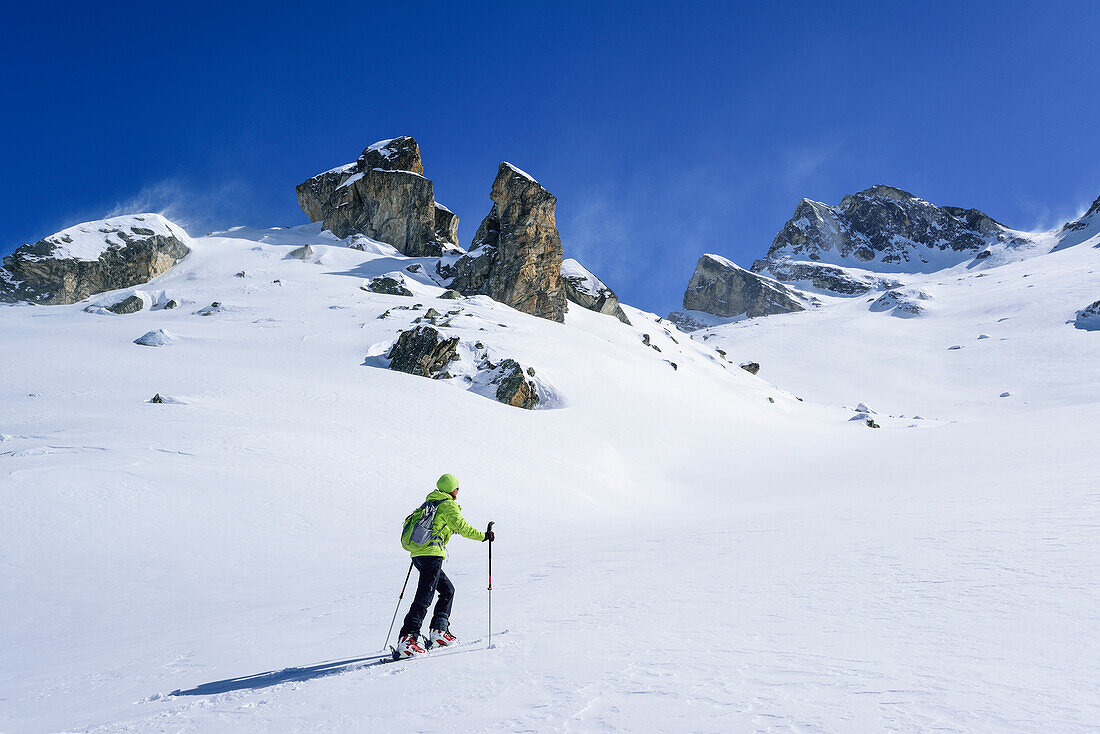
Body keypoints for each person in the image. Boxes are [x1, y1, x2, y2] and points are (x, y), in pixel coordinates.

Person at [397, 473, 494, 658]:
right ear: (452, 489)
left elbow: (447, 527)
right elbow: (462, 526)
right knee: (424, 598)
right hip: (431, 556)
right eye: (457, 488)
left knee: (447, 590)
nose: (458, 491)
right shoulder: (448, 504)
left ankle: (439, 632)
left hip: (419, 555)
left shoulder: (431, 502)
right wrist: (483, 536)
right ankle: (408, 639)